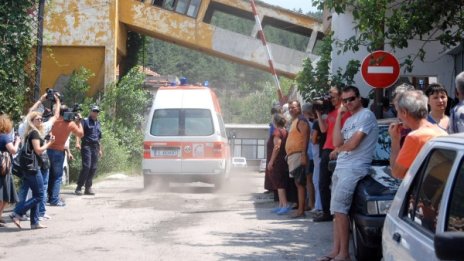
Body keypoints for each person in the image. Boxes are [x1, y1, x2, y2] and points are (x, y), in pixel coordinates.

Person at [317, 86, 378, 261]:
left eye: (352, 99)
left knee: (341, 211)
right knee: (336, 211)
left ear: (359, 98)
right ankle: (335, 250)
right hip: (342, 167)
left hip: (354, 167)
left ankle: (344, 254)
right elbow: (336, 141)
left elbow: (352, 144)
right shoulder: (349, 118)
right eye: (345, 100)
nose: (348, 103)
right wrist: (339, 117)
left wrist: (339, 150)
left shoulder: (366, 115)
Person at [16, 93, 61, 221]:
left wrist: (41, 99)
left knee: (25, 187)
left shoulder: (24, 126)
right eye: (39, 118)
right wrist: (57, 101)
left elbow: (31, 111)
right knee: (40, 189)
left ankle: (25, 213)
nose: (41, 120)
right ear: (35, 120)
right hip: (37, 161)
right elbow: (56, 116)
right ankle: (31, 212)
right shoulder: (41, 129)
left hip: (25, 160)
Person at [10, 112, 56, 229]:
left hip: (29, 168)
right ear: (32, 121)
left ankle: (34, 222)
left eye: (41, 119)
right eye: (37, 119)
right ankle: (18, 213)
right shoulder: (34, 133)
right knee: (40, 195)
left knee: (36, 195)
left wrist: (45, 140)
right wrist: (50, 143)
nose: (40, 121)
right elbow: (38, 150)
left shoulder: (32, 133)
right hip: (32, 169)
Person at [389, 90, 448, 179]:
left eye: (398, 111)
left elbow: (397, 173)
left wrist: (395, 140)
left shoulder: (415, 137)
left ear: (404, 112)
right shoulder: (440, 132)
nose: (398, 116)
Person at [314, 86, 351, 222]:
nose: (331, 99)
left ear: (341, 96)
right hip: (326, 149)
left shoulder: (345, 112)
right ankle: (326, 212)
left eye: (333, 96)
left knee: (338, 183)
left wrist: (339, 149)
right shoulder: (331, 113)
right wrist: (318, 113)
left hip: (338, 150)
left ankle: (338, 213)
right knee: (323, 182)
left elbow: (347, 133)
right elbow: (323, 130)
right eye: (330, 96)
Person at [47, 105, 84, 206]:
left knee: (49, 175)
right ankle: (54, 200)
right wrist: (79, 122)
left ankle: (48, 197)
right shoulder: (70, 124)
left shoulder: (52, 121)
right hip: (59, 151)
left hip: (48, 149)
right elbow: (80, 134)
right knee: (57, 176)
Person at [285, 100, 310, 218]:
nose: (291, 109)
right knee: (297, 183)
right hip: (292, 156)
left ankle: (301, 210)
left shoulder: (301, 121)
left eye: (293, 107)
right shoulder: (294, 121)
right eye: (290, 108)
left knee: (300, 183)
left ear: (299, 108)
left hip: (299, 154)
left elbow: (305, 138)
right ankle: (301, 209)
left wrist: (304, 155)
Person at [75, 105, 103, 196]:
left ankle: (88, 188)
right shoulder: (85, 121)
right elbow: (79, 132)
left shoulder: (98, 123)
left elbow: (99, 138)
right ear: (91, 111)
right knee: (86, 166)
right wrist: (77, 143)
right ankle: (79, 187)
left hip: (95, 147)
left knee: (93, 167)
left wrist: (100, 149)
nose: (95, 113)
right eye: (94, 111)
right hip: (86, 146)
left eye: (97, 111)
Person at [267, 113, 291, 215]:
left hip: (278, 161)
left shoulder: (277, 132)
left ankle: (284, 205)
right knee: (280, 183)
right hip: (284, 160)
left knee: (279, 183)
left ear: (275, 122)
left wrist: (271, 161)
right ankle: (281, 205)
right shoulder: (285, 131)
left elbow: (277, 147)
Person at [0, 114, 21, 227]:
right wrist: (17, 141)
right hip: (4, 168)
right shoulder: (4, 137)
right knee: (4, 194)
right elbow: (13, 150)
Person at [302, 103, 315, 211]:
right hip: (312, 154)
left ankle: (311, 203)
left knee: (309, 180)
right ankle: (311, 203)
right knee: (311, 180)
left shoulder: (307, 123)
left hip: (309, 154)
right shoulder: (312, 122)